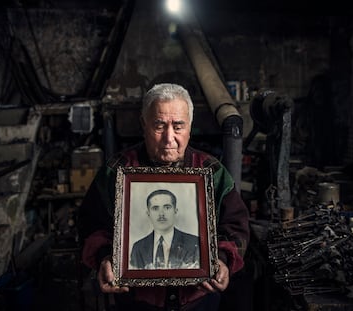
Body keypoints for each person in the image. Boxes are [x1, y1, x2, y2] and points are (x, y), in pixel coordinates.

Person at [79, 83, 250, 311]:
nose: (169, 138)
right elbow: (90, 225)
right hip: (137, 302)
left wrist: (222, 260)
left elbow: (236, 225)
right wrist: (104, 258)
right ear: (143, 125)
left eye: (178, 126)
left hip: (198, 300)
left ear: (190, 126)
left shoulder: (212, 171)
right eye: (159, 126)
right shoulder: (117, 171)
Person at [130, 189, 200, 270]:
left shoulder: (194, 244)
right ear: (148, 213)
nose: (161, 214)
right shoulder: (138, 247)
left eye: (167, 207)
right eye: (155, 208)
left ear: (175, 211)